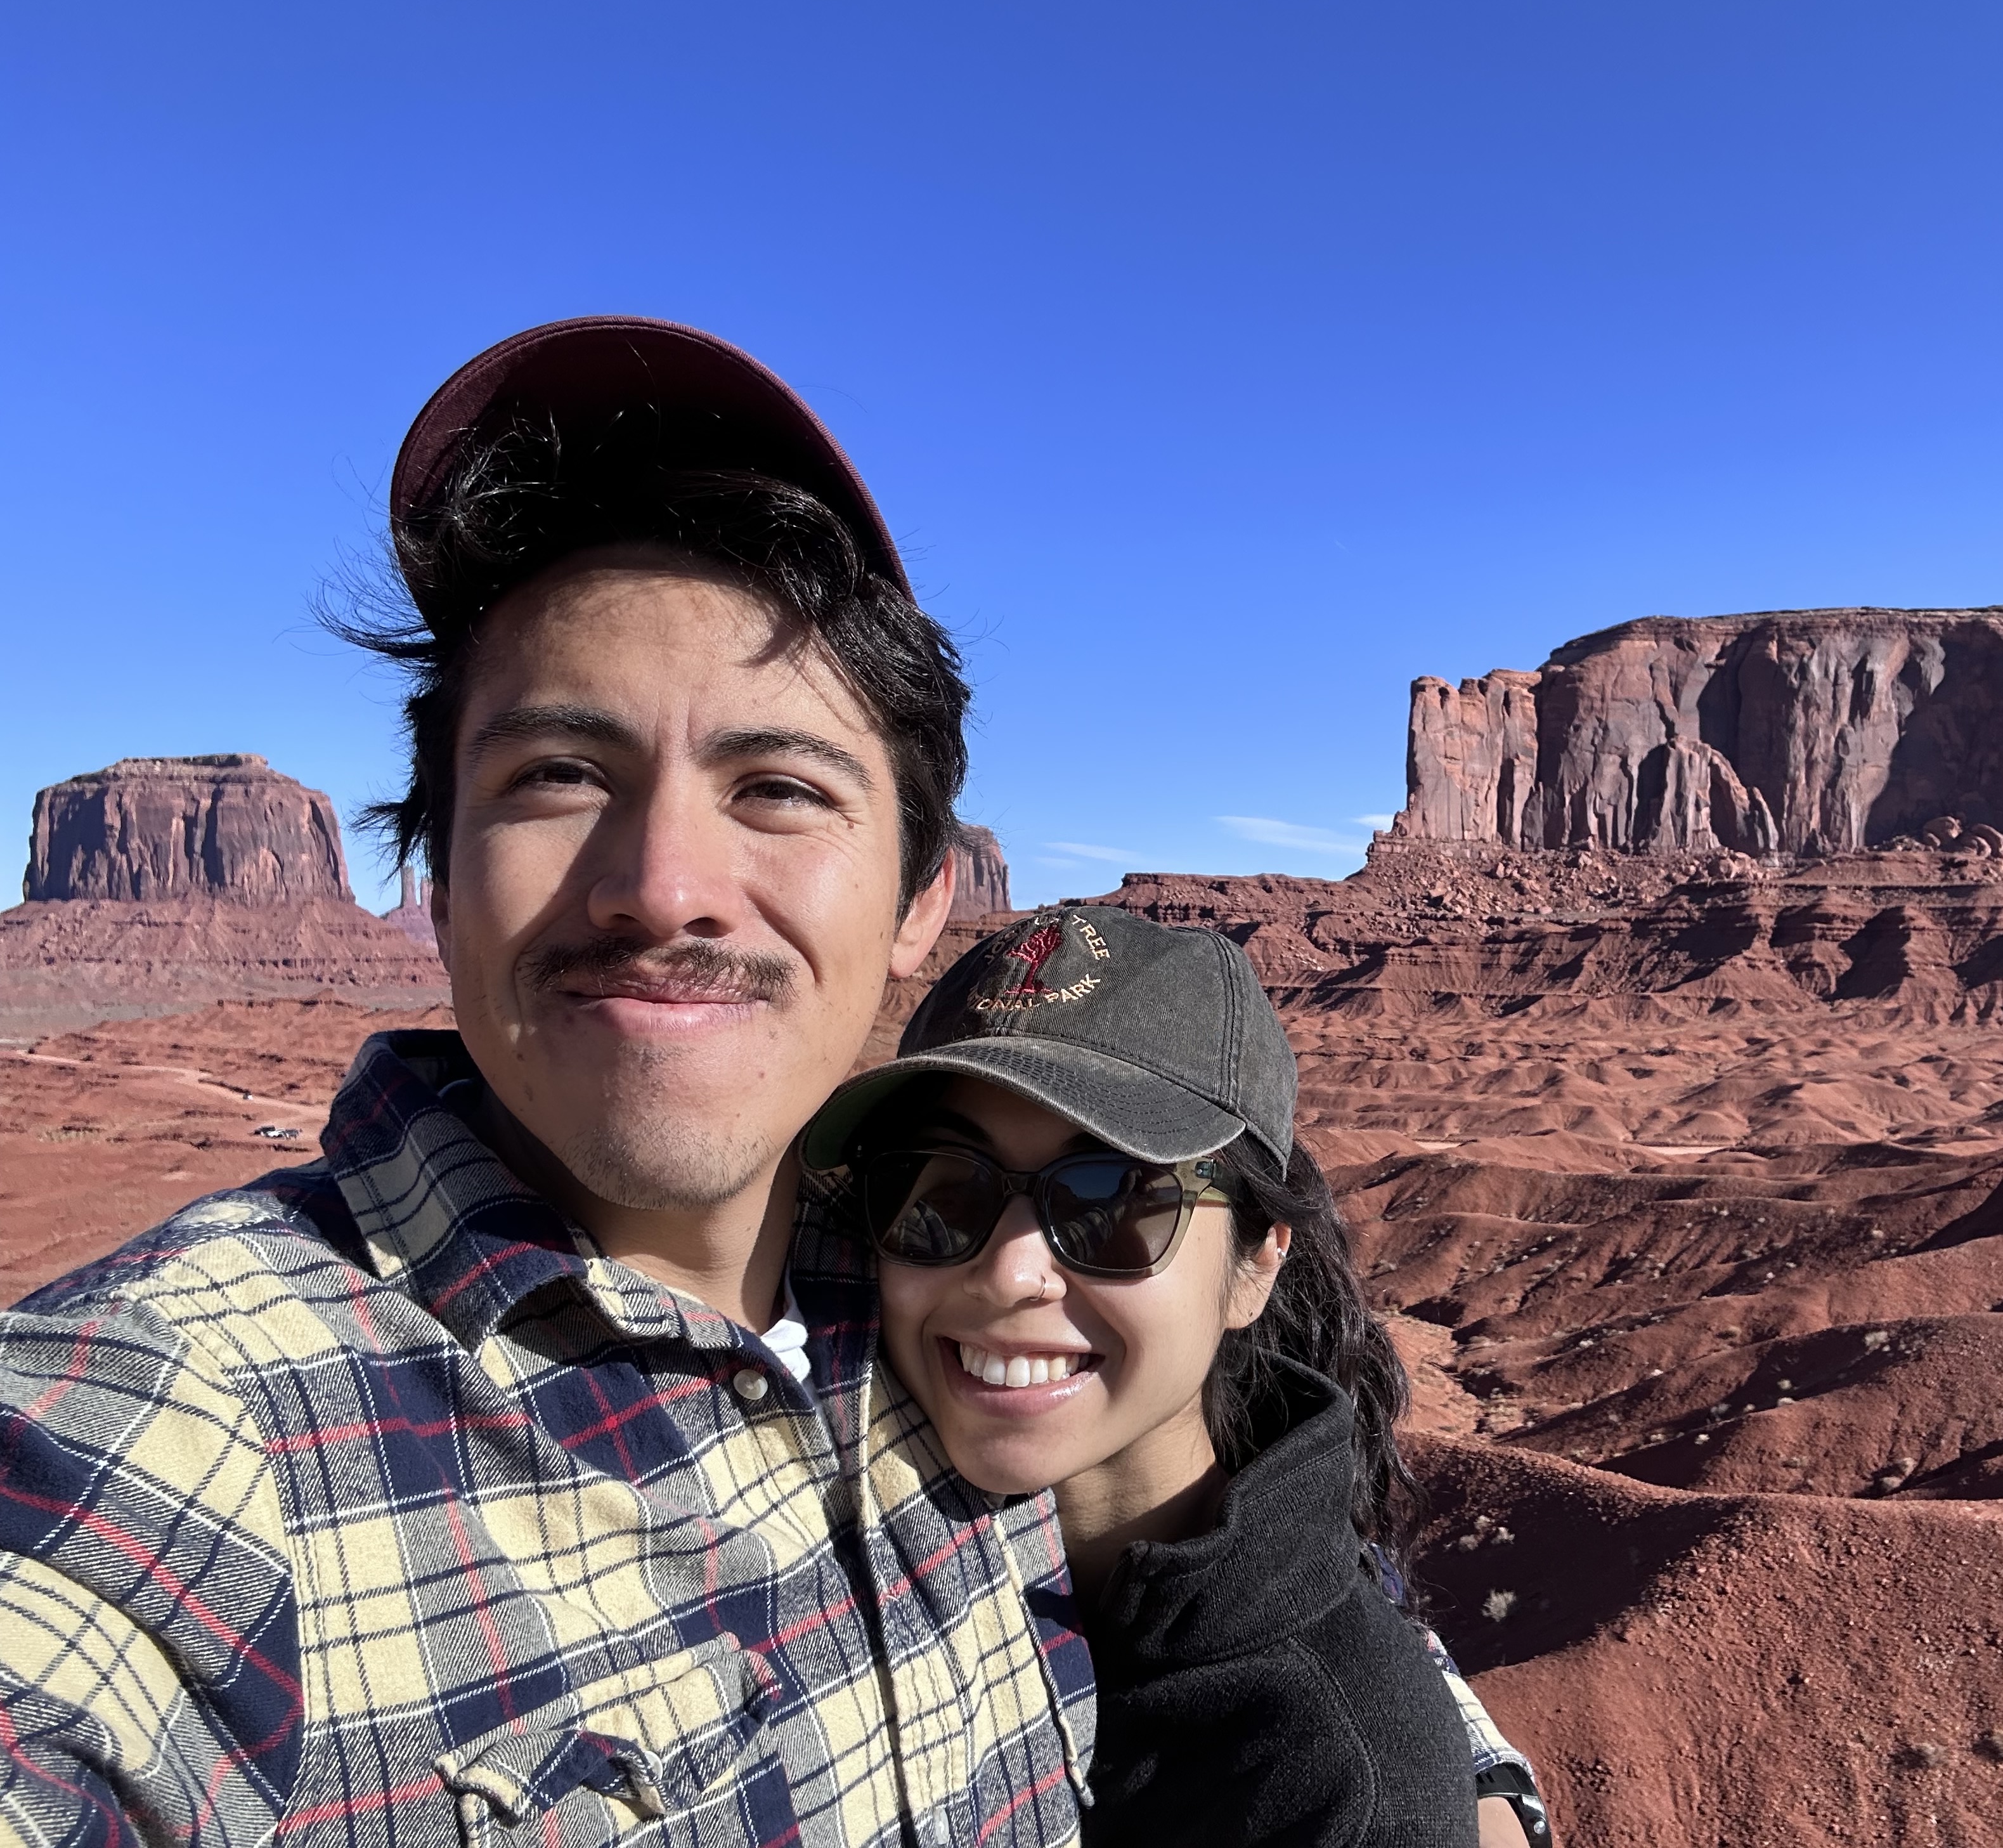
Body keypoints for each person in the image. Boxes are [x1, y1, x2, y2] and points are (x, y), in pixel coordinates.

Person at [0, 320, 1092, 1847]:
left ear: (922, 898)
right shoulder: (188, 1427)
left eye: (777, 788)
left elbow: (1248, 1544)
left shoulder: (987, 1298)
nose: (661, 887)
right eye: (556, 775)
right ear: (432, 878)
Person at [804, 906, 1548, 1847]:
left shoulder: (1335, 1790)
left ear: (1257, 1263)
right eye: (943, 1189)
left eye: (1111, 1199)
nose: (1005, 1270)